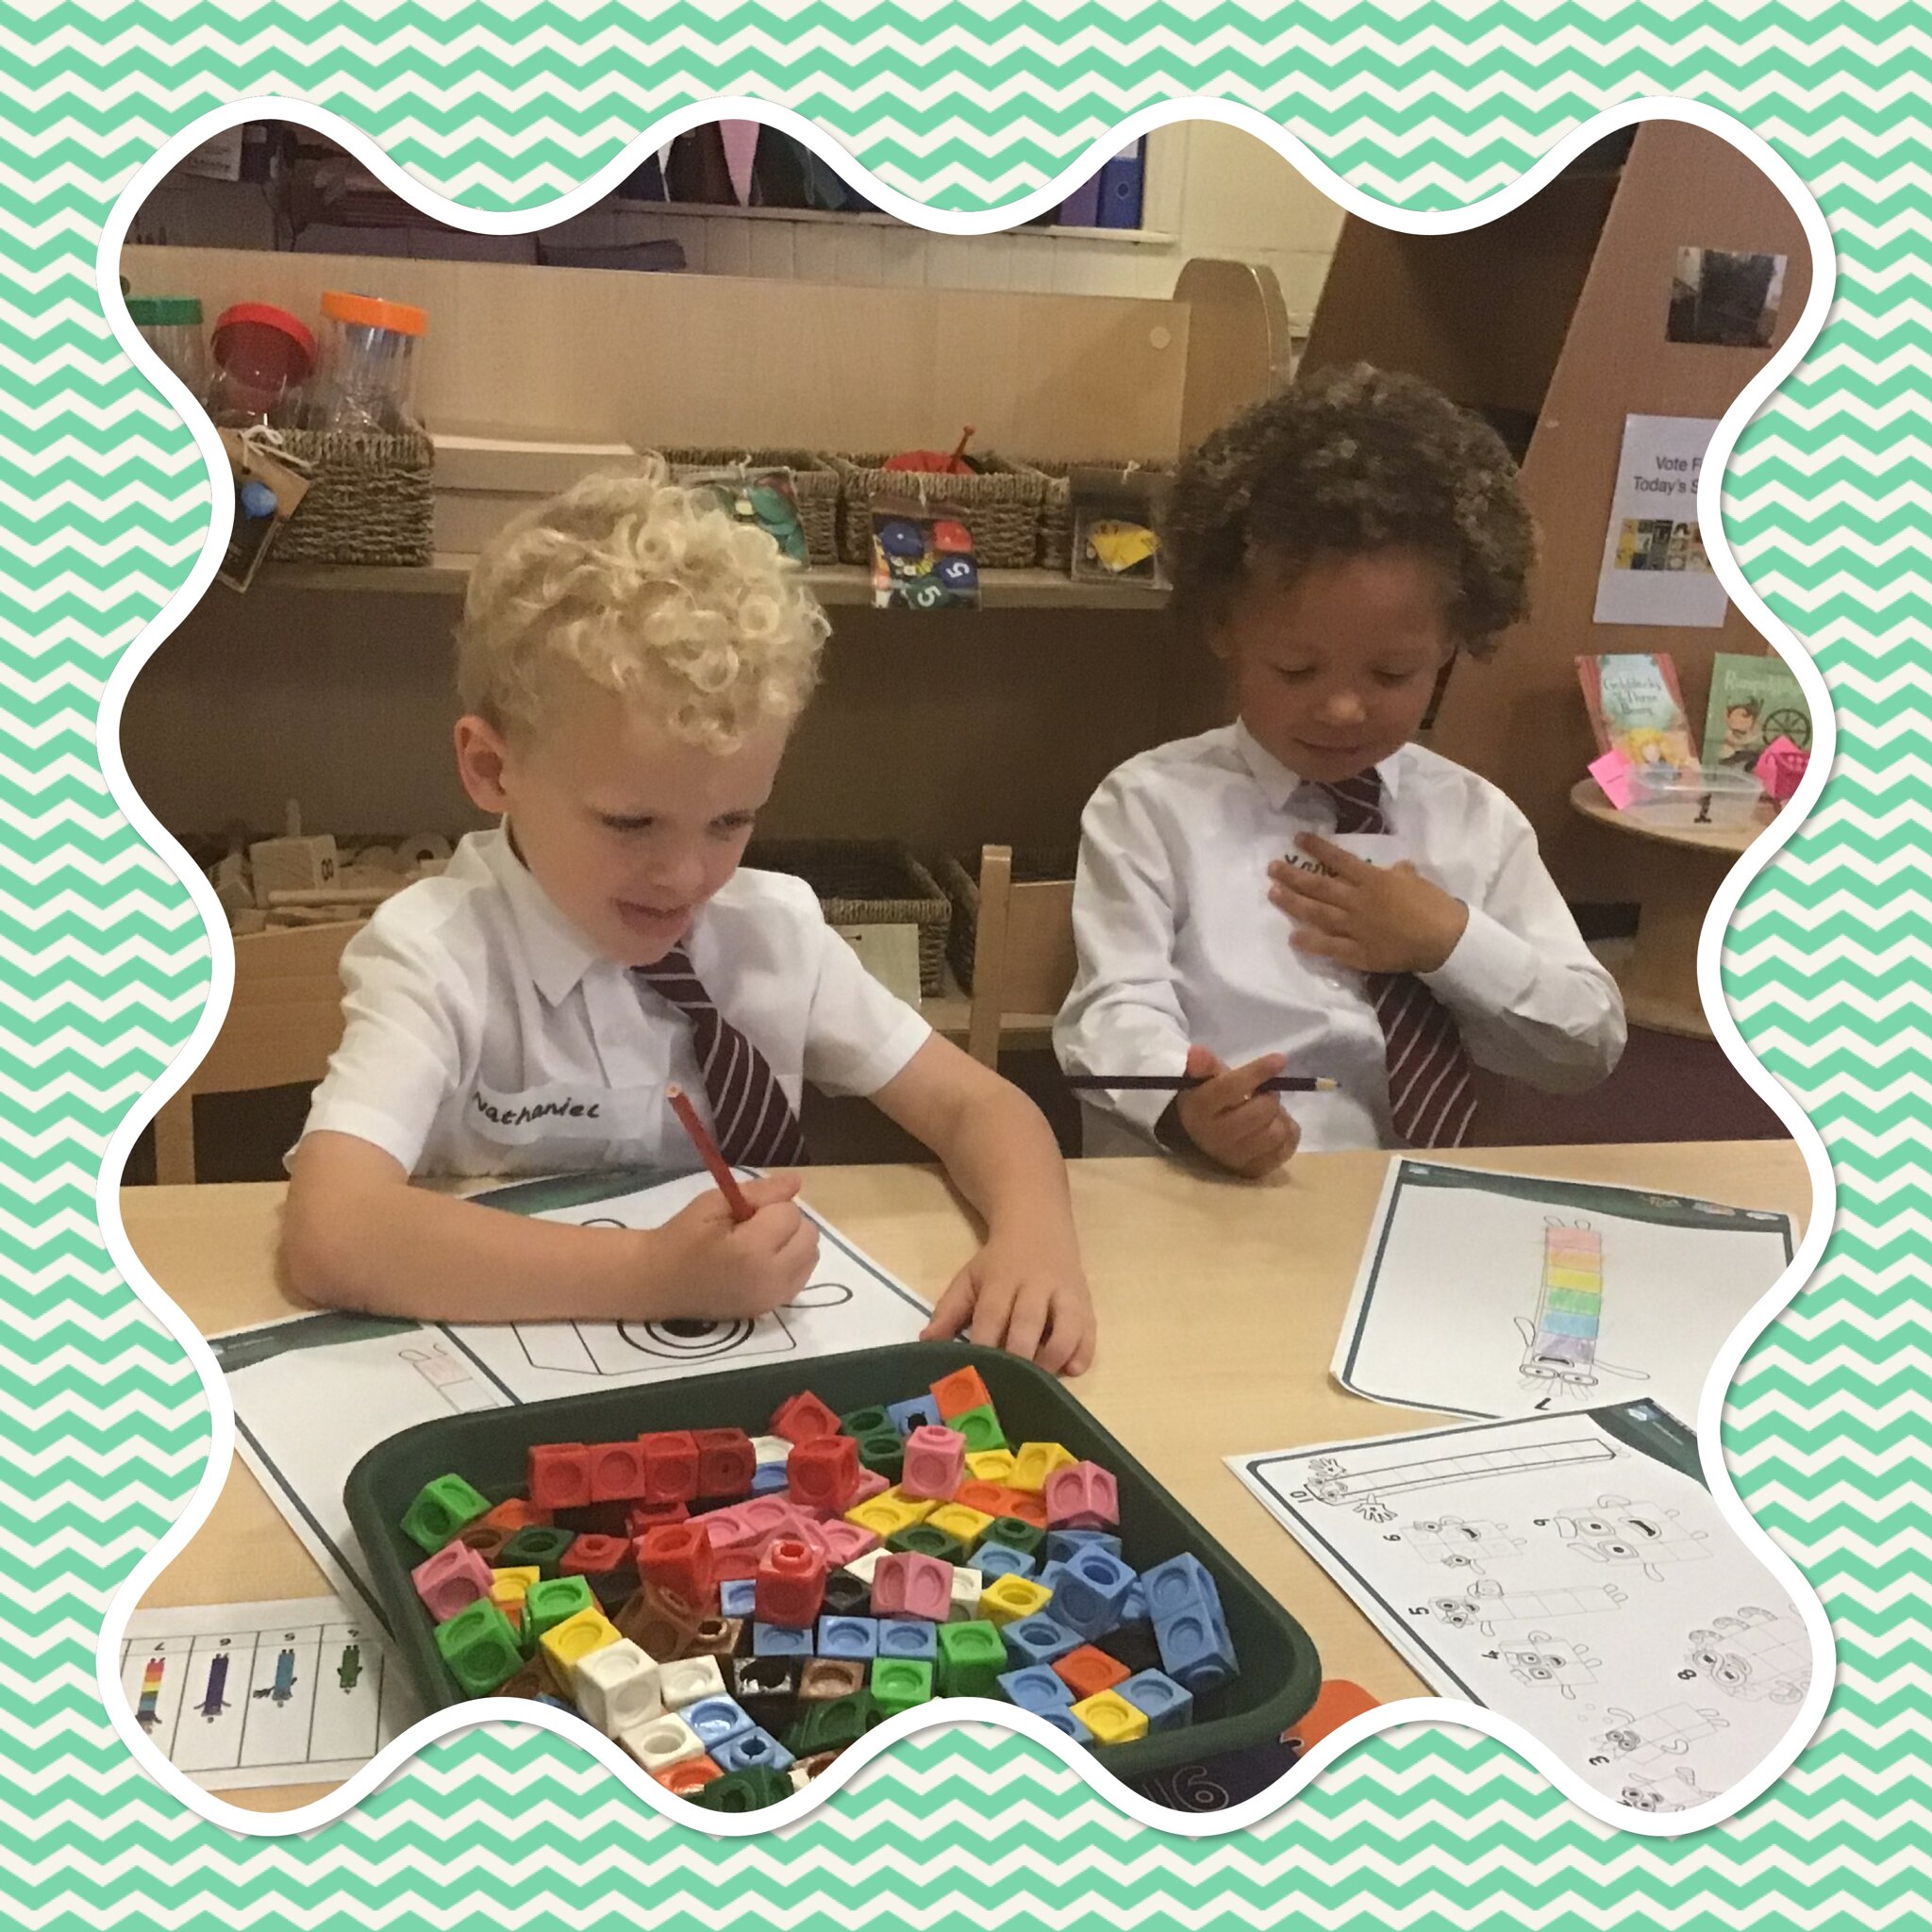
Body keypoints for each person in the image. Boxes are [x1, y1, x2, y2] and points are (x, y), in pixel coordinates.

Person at [280, 464, 1094, 1374]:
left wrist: (1035, 1241)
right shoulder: (435, 954)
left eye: (732, 821)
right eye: (630, 823)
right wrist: (649, 1273)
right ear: (491, 770)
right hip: (514, 1373)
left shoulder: (775, 930)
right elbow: (332, 1230)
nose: (685, 874)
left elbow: (979, 1104)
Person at [1054, 364, 1626, 1176]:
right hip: (1205, 1192)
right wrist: (1186, 1107)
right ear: (1224, 629)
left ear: (1453, 648)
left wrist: (1448, 941)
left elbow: (1587, 1045)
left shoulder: (1477, 822)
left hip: (1411, 1205)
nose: (1345, 710)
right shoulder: (1151, 806)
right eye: (1296, 669)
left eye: (1393, 676)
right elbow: (1110, 1012)